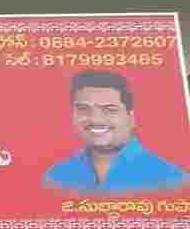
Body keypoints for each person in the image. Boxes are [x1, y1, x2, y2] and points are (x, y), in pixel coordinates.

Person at [43, 70, 186, 194]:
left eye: (109, 110)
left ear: (131, 118)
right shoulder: (56, 177)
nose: (95, 119)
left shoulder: (172, 179)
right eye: (83, 109)